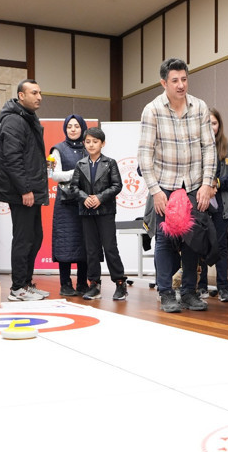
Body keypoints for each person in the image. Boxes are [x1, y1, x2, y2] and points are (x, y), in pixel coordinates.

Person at [138, 58, 216, 313]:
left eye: (184, 79)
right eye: (175, 80)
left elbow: (209, 147)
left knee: (193, 239)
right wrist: (155, 190)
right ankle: (166, 292)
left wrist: (207, 184)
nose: (181, 85)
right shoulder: (152, 110)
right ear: (164, 83)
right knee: (163, 240)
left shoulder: (200, 107)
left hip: (194, 184)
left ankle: (189, 292)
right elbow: (145, 153)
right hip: (166, 186)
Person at [0, 78, 50, 302]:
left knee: (35, 237)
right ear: (21, 96)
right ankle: (17, 287)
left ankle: (26, 283)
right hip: (22, 192)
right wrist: (25, 189)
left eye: (40, 93)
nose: (39, 97)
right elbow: (12, 159)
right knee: (23, 238)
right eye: (34, 93)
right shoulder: (13, 121)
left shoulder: (28, 118)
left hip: (32, 190)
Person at [67, 127, 128, 301]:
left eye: (95, 141)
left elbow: (117, 185)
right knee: (91, 250)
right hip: (86, 212)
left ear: (103, 143)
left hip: (106, 211)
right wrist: (85, 198)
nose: (91, 145)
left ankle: (120, 283)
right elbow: (73, 187)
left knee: (110, 248)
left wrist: (100, 198)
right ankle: (94, 285)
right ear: (84, 144)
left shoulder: (110, 163)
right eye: (88, 142)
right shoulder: (80, 164)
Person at [197, 108, 228, 303]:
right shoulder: (194, 147)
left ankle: (224, 288)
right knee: (200, 246)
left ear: (219, 125)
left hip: (222, 205)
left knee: (221, 247)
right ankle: (201, 287)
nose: (210, 127)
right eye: (207, 123)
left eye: (213, 123)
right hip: (199, 203)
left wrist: (218, 183)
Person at [47, 114, 89, 296]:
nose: (73, 129)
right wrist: (77, 172)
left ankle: (82, 283)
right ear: (65, 129)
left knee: (85, 243)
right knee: (65, 243)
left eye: (76, 126)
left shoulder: (89, 147)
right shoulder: (58, 149)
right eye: (70, 126)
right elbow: (54, 175)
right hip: (65, 204)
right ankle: (65, 284)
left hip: (86, 201)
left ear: (82, 128)